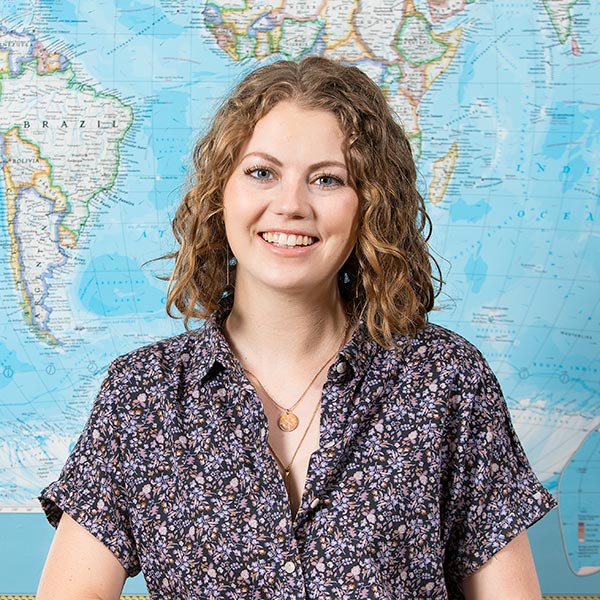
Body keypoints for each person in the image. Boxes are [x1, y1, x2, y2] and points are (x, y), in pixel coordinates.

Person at [37, 56, 556, 600]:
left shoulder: (446, 382)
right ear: (222, 194)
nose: (290, 205)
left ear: (370, 207)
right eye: (262, 172)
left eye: (327, 180)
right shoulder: (142, 396)